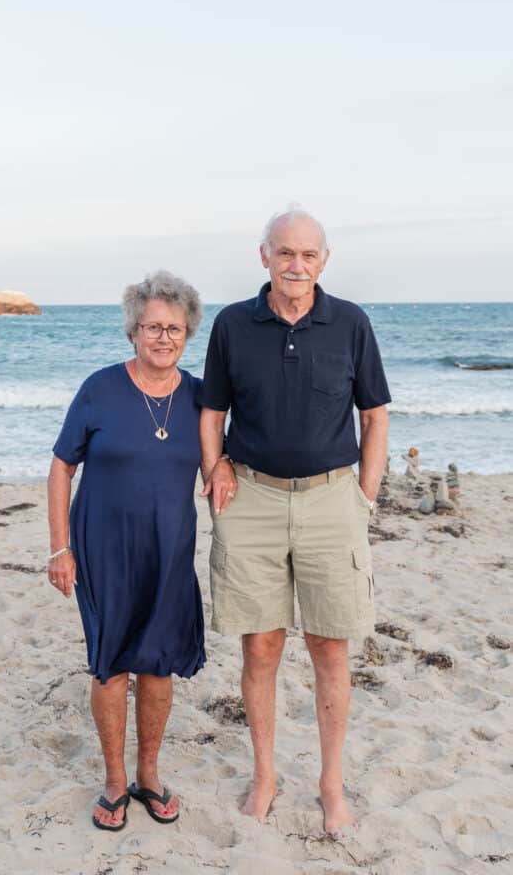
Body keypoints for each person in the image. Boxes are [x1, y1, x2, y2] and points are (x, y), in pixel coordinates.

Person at [199, 208, 390, 834]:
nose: (296, 265)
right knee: (261, 645)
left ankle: (331, 786)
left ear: (324, 261)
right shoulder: (232, 324)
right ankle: (265, 776)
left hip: (333, 501)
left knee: (330, 647)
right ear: (264, 257)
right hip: (251, 499)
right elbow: (211, 410)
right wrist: (214, 467)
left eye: (308, 255)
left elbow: (375, 415)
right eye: (285, 253)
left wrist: (363, 494)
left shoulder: (351, 323)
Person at [48, 270, 206, 832]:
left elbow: (225, 455)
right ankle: (115, 780)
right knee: (112, 664)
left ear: (188, 333)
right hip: (102, 552)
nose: (164, 338)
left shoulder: (201, 397)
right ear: (133, 330)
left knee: (159, 666)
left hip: (170, 552)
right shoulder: (99, 388)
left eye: (175, 328)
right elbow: (62, 465)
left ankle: (149, 773)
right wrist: (59, 548)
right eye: (153, 327)